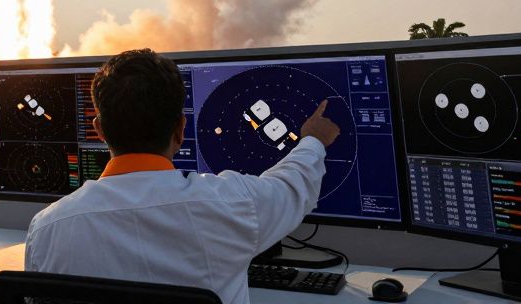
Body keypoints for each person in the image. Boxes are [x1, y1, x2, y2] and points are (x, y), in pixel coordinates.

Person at [24, 49, 340, 304]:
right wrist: (313, 141)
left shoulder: (47, 229)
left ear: (99, 131)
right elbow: (291, 186)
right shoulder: (233, 205)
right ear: (180, 129)